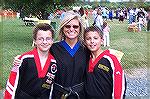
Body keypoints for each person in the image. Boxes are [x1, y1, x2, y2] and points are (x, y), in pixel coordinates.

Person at [4, 23, 57, 99]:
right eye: (40, 39)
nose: (44, 42)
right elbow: (12, 84)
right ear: (34, 41)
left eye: (48, 39)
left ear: (52, 41)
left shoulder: (53, 63)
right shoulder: (24, 59)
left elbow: (51, 88)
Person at [50, 11, 89, 99]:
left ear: (80, 29)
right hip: (59, 95)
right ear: (63, 29)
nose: (71, 29)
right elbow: (38, 58)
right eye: (67, 26)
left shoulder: (86, 49)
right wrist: (20, 60)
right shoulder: (53, 48)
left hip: (79, 95)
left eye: (75, 26)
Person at [83, 26, 126, 99]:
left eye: (95, 38)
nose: (92, 41)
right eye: (88, 39)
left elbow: (119, 86)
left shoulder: (111, 59)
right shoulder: (85, 58)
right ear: (85, 42)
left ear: (102, 40)